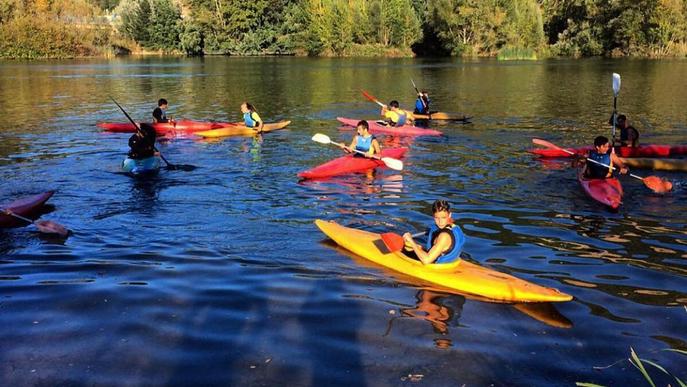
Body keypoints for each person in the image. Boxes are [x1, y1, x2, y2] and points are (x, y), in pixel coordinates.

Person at [403, 200, 465, 265]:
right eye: (437, 218)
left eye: (443, 218)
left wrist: (412, 241)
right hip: (451, 263)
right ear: (433, 216)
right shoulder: (456, 228)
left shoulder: (444, 236)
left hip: (437, 268)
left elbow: (426, 260)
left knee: (404, 250)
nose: (440, 222)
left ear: (449, 215)